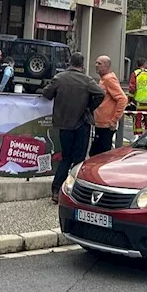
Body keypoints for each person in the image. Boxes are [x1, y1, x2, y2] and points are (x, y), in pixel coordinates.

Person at [42, 52, 105, 200]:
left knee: (65, 158)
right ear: (82, 65)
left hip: (64, 123)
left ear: (70, 62)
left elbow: (47, 94)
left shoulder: (60, 78)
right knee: (79, 159)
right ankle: (75, 192)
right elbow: (100, 93)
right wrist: (89, 106)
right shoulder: (87, 80)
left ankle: (56, 190)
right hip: (82, 123)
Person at [92, 55, 129, 156]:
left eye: (99, 64)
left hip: (106, 124)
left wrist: (114, 120)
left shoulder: (109, 79)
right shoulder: (103, 79)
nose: (96, 65)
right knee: (95, 153)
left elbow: (122, 99)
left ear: (107, 66)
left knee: (101, 154)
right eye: (96, 63)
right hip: (100, 123)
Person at [129, 58, 147, 137]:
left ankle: (138, 136)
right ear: (145, 64)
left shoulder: (135, 73)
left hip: (138, 101)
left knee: (137, 119)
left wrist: (130, 99)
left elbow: (132, 88)